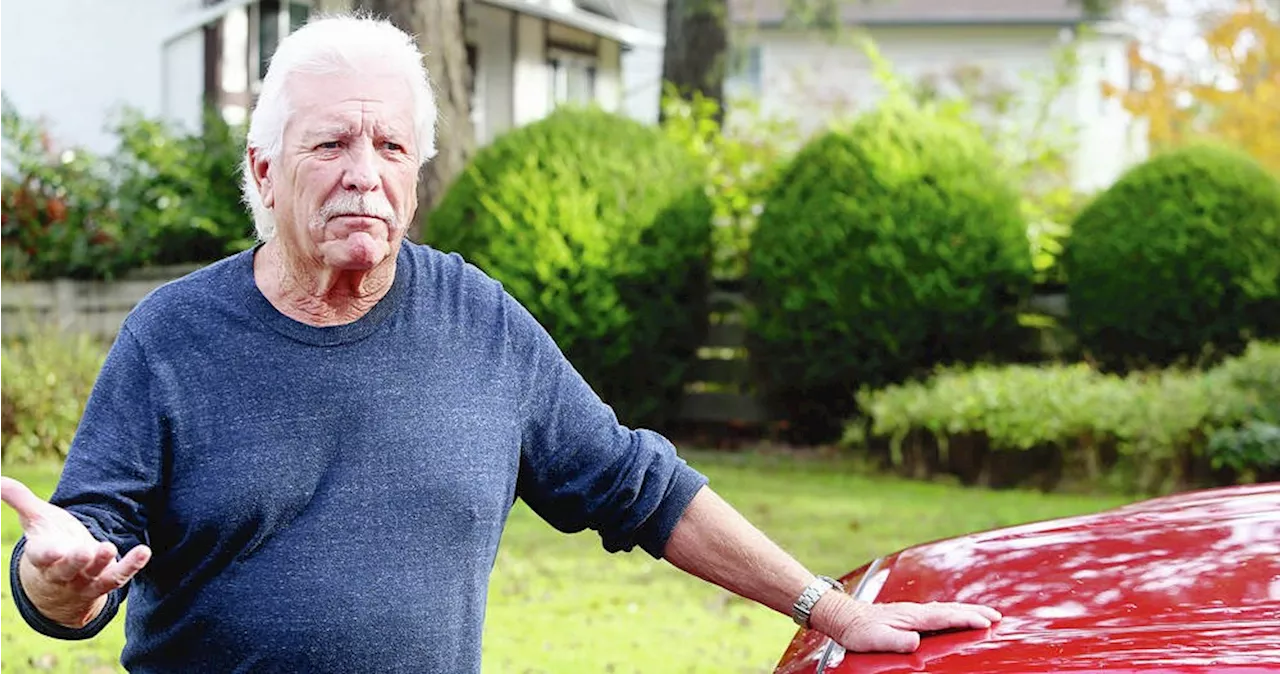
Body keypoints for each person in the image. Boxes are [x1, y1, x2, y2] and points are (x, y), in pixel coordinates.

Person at [0, 13, 1001, 673]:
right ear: (262, 170)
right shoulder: (171, 336)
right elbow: (76, 556)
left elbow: (634, 483)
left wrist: (825, 606)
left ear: (419, 170)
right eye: (329, 144)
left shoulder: (478, 322)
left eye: (390, 146)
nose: (364, 173)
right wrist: (55, 576)